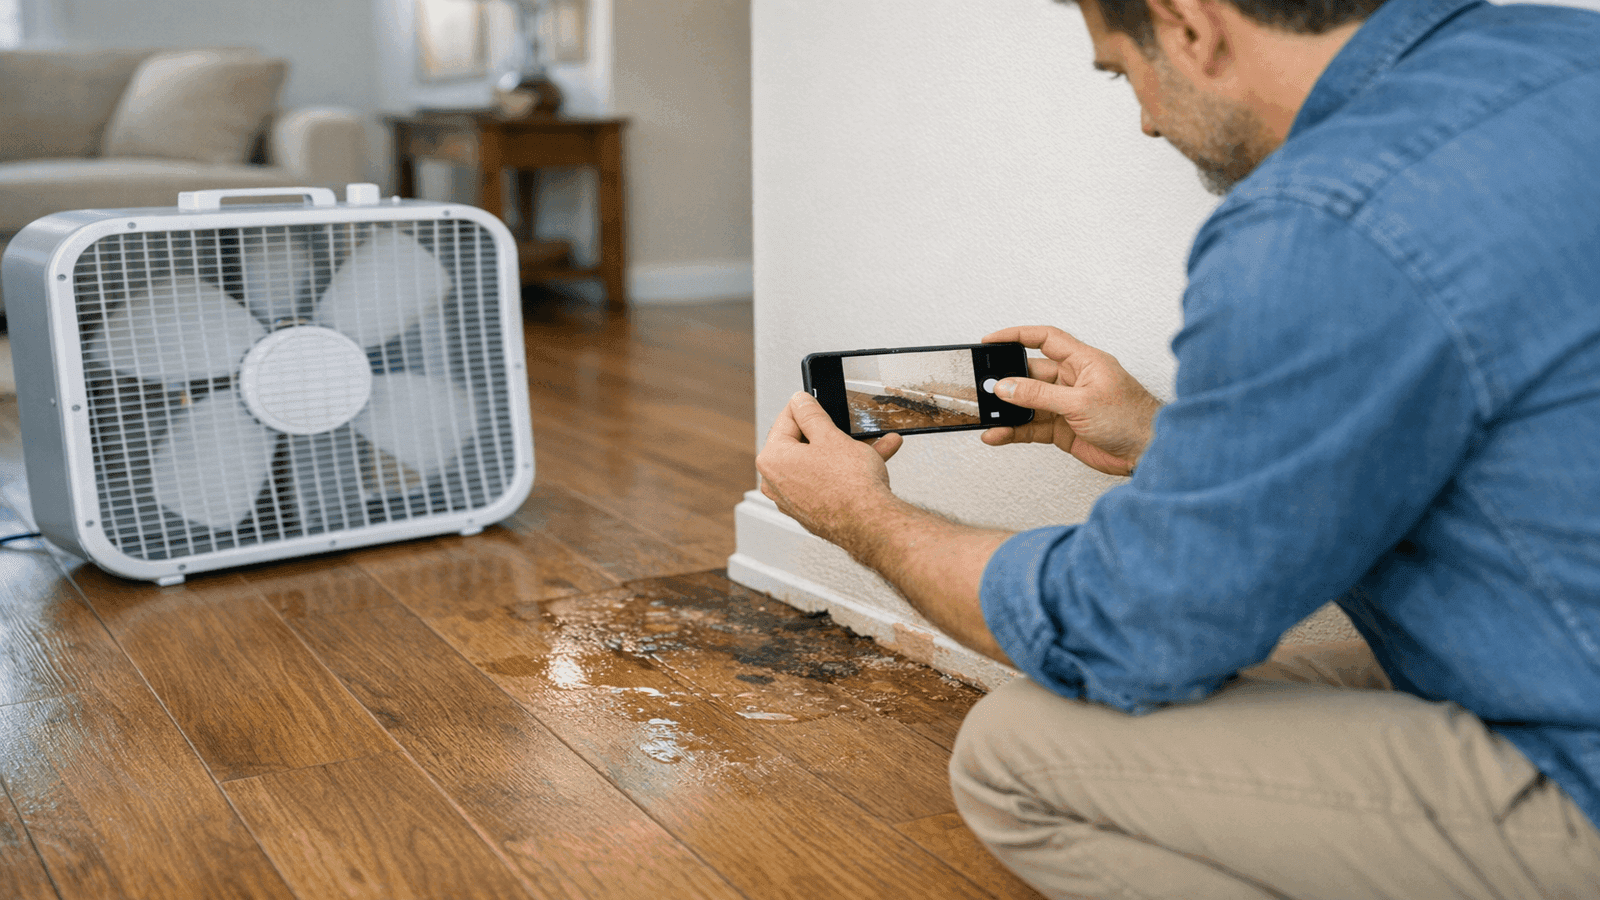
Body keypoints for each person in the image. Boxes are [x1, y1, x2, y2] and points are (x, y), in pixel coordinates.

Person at [754, 0, 1600, 896]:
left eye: (1123, 72)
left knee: (1020, 751)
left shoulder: (1326, 215)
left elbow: (1129, 629)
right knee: (1256, 670)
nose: (1148, 118)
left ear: (1189, 26)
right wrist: (1164, 438)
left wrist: (860, 516)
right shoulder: (1563, 52)